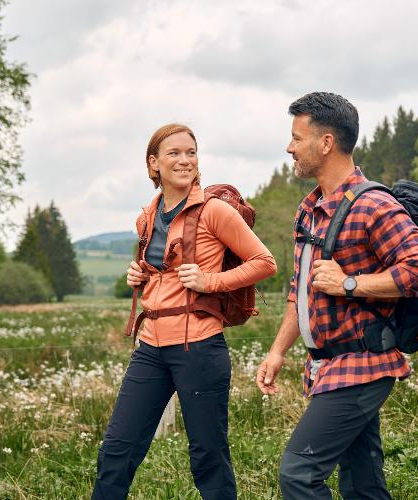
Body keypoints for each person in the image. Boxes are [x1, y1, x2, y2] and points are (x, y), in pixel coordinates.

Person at [255, 92, 418, 500]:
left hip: (362, 365)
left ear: (326, 143)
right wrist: (277, 351)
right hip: (327, 367)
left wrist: (349, 284)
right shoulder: (309, 210)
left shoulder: (374, 206)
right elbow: (301, 288)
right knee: (363, 485)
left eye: (297, 138)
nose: (289, 147)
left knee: (299, 475)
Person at [92, 123, 277, 500]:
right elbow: (161, 272)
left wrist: (211, 281)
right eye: (174, 153)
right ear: (153, 163)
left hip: (200, 348)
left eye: (191, 152)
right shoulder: (146, 217)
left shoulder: (215, 211)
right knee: (117, 450)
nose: (185, 160)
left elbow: (264, 262)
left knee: (208, 457)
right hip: (150, 348)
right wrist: (139, 274)